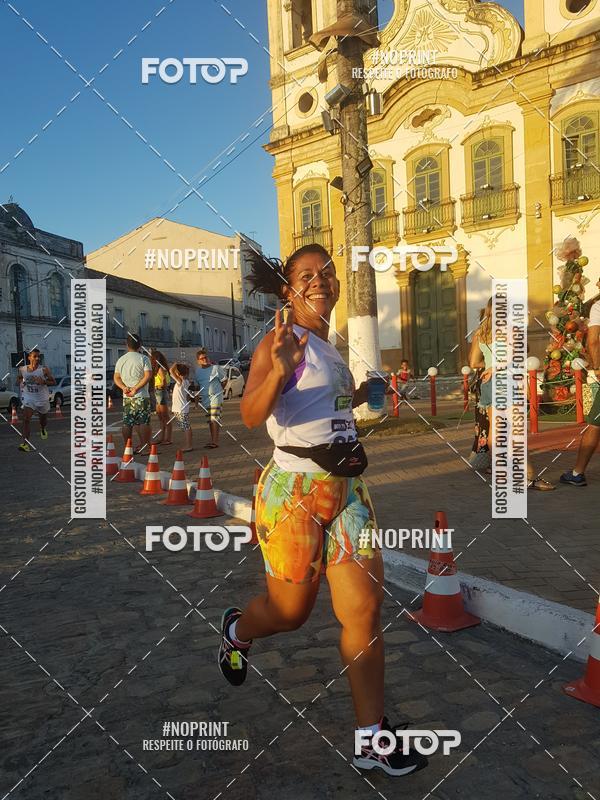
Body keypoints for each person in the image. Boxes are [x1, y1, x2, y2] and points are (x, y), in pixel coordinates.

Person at [217, 244, 428, 778]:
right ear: (288, 289)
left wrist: (358, 395)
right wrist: (276, 369)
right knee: (291, 614)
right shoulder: (281, 340)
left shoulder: (330, 347)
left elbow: (318, 409)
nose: (319, 281)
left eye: (326, 273)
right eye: (306, 275)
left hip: (348, 491)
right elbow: (249, 414)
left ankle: (371, 740)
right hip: (294, 493)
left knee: (364, 612)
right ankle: (239, 629)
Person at [470, 300, 553, 490]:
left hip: (489, 383)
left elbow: (474, 362)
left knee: (495, 432)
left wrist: (489, 367)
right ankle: (528, 477)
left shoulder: (481, 332)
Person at [560, 291, 600, 486]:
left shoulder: (598, 306)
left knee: (595, 423)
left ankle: (577, 472)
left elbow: (593, 340)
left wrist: (597, 367)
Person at [114, 334, 153, 453]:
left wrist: (124, 388)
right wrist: (136, 388)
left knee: (127, 422)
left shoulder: (121, 360)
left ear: (126, 345)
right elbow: (148, 375)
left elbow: (116, 377)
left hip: (127, 397)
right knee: (143, 421)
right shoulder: (144, 358)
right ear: (140, 345)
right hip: (141, 395)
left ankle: (128, 447)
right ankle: (145, 447)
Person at [16, 349, 56, 452]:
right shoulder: (22, 369)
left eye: (39, 357)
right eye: (35, 356)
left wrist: (43, 381)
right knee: (26, 419)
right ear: (29, 357)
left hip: (42, 398)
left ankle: (42, 428)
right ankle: (25, 444)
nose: (37, 358)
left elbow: (53, 382)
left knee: (43, 420)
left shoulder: (44, 370)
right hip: (29, 397)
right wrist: (22, 382)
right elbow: (19, 379)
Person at [194, 348, 226, 449]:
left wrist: (219, 390)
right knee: (210, 421)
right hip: (205, 399)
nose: (205, 359)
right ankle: (212, 440)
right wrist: (195, 403)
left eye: (206, 357)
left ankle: (215, 442)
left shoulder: (216, 368)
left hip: (216, 397)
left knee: (214, 419)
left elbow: (224, 380)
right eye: (202, 358)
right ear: (198, 361)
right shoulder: (198, 372)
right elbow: (197, 387)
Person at [169, 362, 193, 452]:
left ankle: (189, 445)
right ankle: (188, 444)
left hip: (180, 408)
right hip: (180, 408)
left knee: (186, 427)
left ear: (178, 373)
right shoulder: (185, 381)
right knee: (185, 427)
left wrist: (175, 363)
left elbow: (171, 370)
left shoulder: (180, 381)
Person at [151, 349, 172, 445]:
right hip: (158, 392)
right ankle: (162, 437)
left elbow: (164, 381)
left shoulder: (160, 369)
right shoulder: (157, 369)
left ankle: (168, 438)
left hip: (160, 391)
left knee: (165, 416)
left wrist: (159, 386)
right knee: (160, 417)